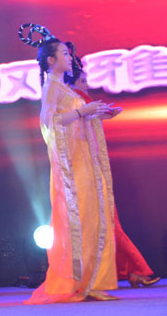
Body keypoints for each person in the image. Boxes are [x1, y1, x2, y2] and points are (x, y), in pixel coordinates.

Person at [18, 25, 118, 303]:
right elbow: (50, 121)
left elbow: (71, 118)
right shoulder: (51, 86)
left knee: (92, 215)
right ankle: (77, 282)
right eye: (63, 53)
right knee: (79, 218)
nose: (69, 57)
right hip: (72, 163)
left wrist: (97, 114)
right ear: (51, 60)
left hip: (83, 157)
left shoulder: (64, 87)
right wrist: (82, 111)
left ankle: (91, 280)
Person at [65, 59, 160, 289]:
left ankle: (129, 271)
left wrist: (102, 115)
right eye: (82, 80)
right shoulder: (74, 100)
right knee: (107, 223)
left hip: (93, 169)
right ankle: (135, 270)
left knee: (108, 223)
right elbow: (70, 127)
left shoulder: (80, 100)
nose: (86, 84)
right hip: (85, 171)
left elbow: (85, 124)